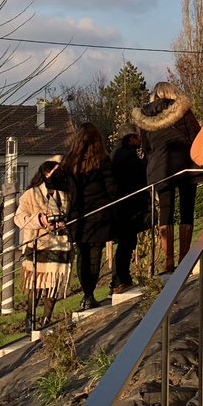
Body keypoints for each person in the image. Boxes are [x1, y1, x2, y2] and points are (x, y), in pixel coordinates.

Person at [131, 82, 200, 273]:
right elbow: (196, 136)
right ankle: (184, 258)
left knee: (166, 210)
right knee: (186, 209)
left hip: (160, 167)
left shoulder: (144, 117)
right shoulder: (183, 110)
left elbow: (146, 147)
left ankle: (168, 260)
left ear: (155, 95)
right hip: (186, 164)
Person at [59, 123, 117, 310]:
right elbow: (111, 188)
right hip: (99, 215)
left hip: (78, 216)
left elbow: (58, 183)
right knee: (94, 256)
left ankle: (86, 294)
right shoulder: (102, 160)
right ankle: (89, 294)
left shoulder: (70, 162)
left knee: (82, 255)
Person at [14, 159, 70, 328]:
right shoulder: (30, 195)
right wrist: (40, 220)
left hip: (59, 245)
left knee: (53, 284)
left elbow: (69, 215)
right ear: (46, 174)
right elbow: (19, 218)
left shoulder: (64, 195)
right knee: (36, 285)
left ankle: (47, 320)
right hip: (37, 245)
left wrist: (64, 223)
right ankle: (30, 321)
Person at [110, 130, 148, 293]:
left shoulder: (118, 154)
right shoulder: (127, 157)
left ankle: (119, 280)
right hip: (128, 207)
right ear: (131, 139)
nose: (140, 140)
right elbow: (139, 174)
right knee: (126, 244)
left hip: (123, 206)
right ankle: (121, 280)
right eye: (138, 137)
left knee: (126, 244)